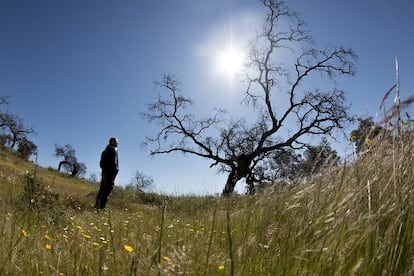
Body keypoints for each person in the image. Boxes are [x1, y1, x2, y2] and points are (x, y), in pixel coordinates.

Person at [95, 137, 119, 212]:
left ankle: (97, 206)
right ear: (112, 142)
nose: (117, 143)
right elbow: (114, 164)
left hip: (104, 173)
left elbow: (101, 163)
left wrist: (104, 172)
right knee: (107, 190)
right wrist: (114, 173)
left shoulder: (104, 151)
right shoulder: (113, 150)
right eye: (116, 142)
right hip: (110, 174)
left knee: (102, 189)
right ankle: (102, 208)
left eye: (117, 142)